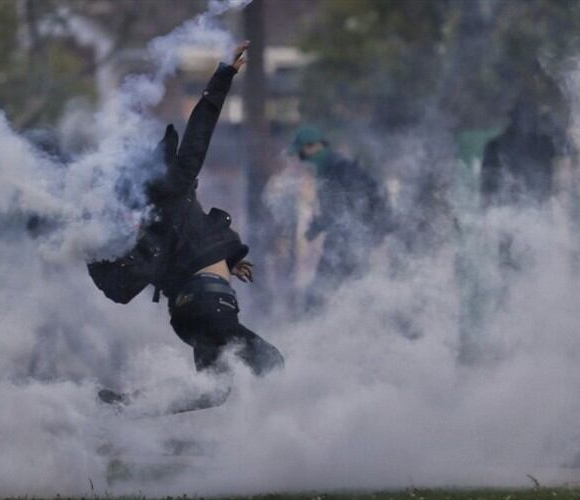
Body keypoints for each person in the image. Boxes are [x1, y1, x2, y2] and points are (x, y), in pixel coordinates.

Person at [87, 41, 283, 412]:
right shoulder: (174, 188)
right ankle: (292, 441)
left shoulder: (146, 227)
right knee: (273, 364)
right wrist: (224, 73)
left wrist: (226, 261)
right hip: (211, 304)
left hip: (187, 315)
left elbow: (123, 284)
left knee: (213, 391)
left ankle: (129, 406)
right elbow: (200, 130)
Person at [289, 126, 392, 310]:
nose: (301, 160)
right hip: (347, 241)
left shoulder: (341, 169)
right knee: (356, 292)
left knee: (320, 294)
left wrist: (325, 224)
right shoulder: (331, 170)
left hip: (349, 242)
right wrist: (318, 226)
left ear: (313, 148)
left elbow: (351, 209)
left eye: (302, 154)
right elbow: (337, 210)